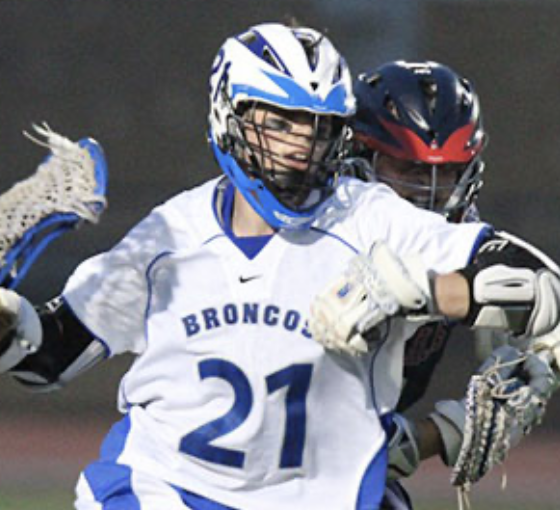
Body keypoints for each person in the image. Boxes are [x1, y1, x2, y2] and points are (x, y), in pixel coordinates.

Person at [0, 25, 559, 510]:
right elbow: (48, 356)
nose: (299, 146)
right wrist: (8, 322)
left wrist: (421, 288)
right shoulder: (170, 234)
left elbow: (539, 282)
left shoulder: (369, 216)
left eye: (316, 128)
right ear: (232, 117)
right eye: (280, 123)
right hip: (163, 490)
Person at [342, 60, 559, 508]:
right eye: (409, 170)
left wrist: (445, 431)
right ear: (358, 160)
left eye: (446, 174)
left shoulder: (461, 239)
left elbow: (548, 294)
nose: (429, 194)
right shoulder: (326, 236)